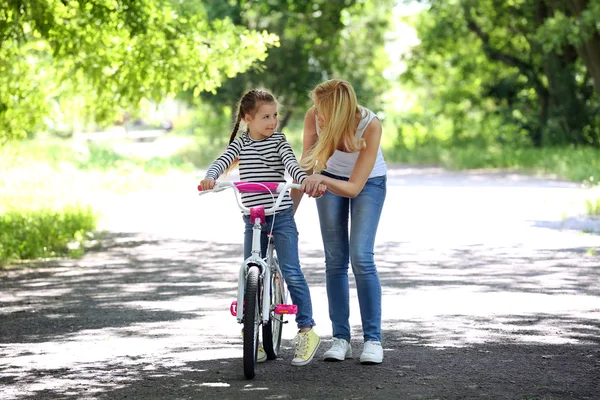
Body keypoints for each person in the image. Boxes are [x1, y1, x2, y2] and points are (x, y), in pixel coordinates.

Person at [199, 88, 324, 366]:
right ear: (248, 119)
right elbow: (222, 161)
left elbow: (292, 165)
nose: (272, 121)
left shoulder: (279, 141)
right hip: (252, 216)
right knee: (249, 269)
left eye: (275, 115)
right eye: (265, 116)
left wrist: (302, 179)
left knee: (291, 270)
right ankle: (250, 334)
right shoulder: (241, 144)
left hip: (280, 215)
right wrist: (210, 177)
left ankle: (307, 330)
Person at [299, 79, 387, 365]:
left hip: (367, 184)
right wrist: (287, 211)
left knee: (361, 256)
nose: (315, 112)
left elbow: (354, 188)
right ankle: (341, 339)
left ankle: (373, 340)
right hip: (327, 178)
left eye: (320, 108)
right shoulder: (314, 117)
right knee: (335, 259)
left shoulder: (370, 125)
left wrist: (321, 178)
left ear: (336, 111)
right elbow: (305, 166)